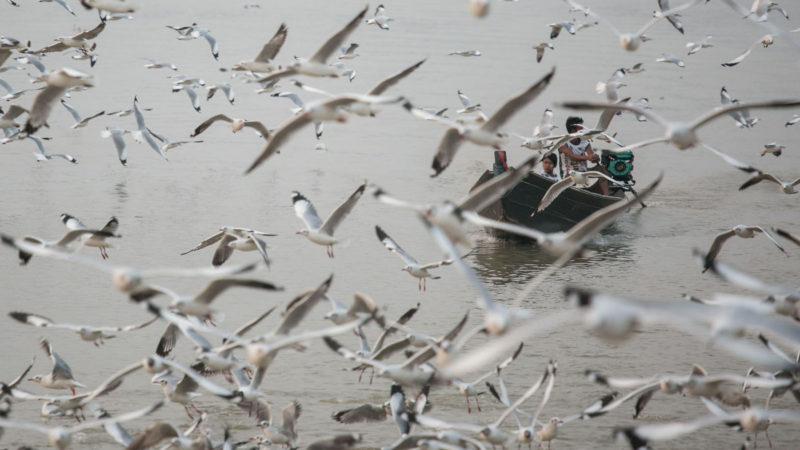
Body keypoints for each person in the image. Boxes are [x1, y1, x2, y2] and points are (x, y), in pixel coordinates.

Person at [558, 116, 609, 195]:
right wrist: (588, 158)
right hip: (569, 173)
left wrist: (595, 158)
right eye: (581, 128)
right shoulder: (563, 143)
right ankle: (570, 194)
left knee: (601, 170)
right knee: (571, 176)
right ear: (573, 130)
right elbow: (572, 157)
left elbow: (591, 155)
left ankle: (606, 196)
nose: (584, 130)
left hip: (583, 172)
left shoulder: (584, 141)